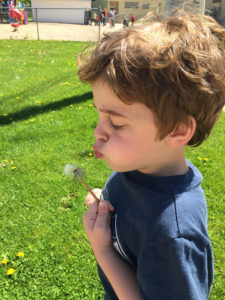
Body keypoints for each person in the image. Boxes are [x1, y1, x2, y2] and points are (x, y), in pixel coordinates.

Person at [78, 9, 225, 300]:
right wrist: (105, 201)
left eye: (117, 122)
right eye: (99, 115)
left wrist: (103, 250)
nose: (98, 132)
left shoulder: (172, 235)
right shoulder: (141, 167)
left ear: (177, 130)